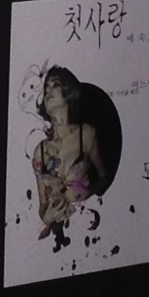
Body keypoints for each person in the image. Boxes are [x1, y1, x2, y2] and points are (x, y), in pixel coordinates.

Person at [29, 68, 123, 248]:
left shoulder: (86, 135)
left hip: (90, 226)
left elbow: (104, 176)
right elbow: (43, 203)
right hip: (60, 235)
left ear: (69, 92)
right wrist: (46, 217)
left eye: (55, 85)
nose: (48, 91)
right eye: (46, 88)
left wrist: (90, 192)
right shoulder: (39, 152)